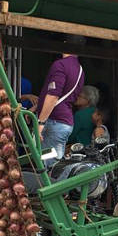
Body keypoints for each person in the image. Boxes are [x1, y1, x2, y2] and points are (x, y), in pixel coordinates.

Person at [36, 35, 86, 163]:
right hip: (64, 122)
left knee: (46, 167)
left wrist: (41, 123)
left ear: (64, 45)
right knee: (53, 165)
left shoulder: (60, 65)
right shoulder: (80, 70)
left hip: (54, 122)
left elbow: (53, 95)